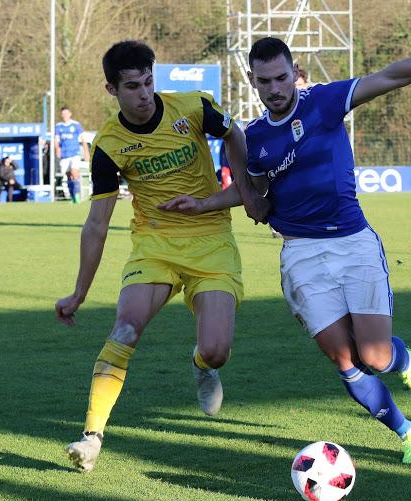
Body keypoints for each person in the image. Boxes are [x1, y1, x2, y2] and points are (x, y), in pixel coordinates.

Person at [169, 35, 411, 465]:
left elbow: (390, 76)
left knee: (375, 356)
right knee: (345, 359)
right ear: (252, 81)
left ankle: (403, 358)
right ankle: (407, 434)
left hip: (352, 243)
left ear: (294, 72)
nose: (275, 88)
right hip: (301, 255)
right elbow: (257, 196)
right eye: (264, 80)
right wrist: (209, 202)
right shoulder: (255, 137)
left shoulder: (324, 101)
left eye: (282, 77)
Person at [55, 40, 269, 473]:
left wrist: (243, 189)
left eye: (149, 82)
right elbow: (97, 224)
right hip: (155, 245)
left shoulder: (193, 107)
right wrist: (78, 293)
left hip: (211, 241)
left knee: (216, 350)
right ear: (111, 89)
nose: (144, 93)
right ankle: (92, 436)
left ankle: (201, 365)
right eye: (132, 86)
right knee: (125, 329)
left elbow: (235, 133)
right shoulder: (109, 145)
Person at [55, 106, 89, 202]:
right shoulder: (58, 126)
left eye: (66, 113)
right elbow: (56, 139)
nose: (64, 115)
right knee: (68, 175)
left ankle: (77, 195)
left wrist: (86, 152)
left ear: (70, 114)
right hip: (64, 155)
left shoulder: (75, 125)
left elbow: (83, 139)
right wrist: (57, 149)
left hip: (75, 153)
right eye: (63, 114)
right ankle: (72, 196)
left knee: (75, 173)